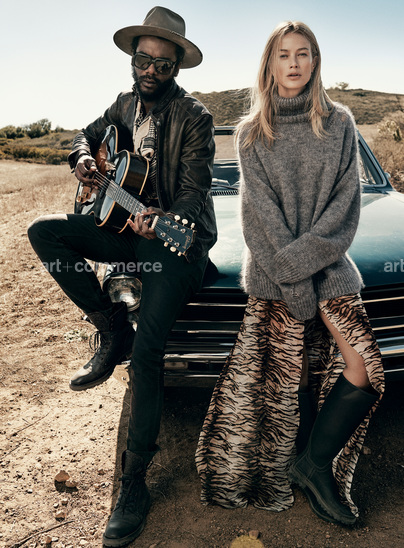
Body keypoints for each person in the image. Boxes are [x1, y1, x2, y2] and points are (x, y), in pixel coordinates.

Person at [28, 6, 217, 545]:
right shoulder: (122, 104)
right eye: (143, 60)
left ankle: (133, 481)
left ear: (176, 67)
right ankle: (111, 325)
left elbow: (194, 191)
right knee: (45, 232)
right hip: (120, 224)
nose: (150, 70)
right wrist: (82, 160)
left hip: (174, 241)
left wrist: (164, 219)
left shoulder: (195, 117)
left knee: (150, 353)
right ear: (133, 59)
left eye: (162, 63)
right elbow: (84, 136)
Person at [195, 21, 384, 526]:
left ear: (315, 62)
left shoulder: (339, 122)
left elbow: (345, 207)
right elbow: (259, 218)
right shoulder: (251, 132)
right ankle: (291, 463)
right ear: (270, 64)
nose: (294, 63)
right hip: (274, 275)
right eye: (284, 54)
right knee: (287, 377)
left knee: (364, 367)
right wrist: (296, 283)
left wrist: (308, 273)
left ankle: (313, 466)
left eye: (303, 53)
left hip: (332, 269)